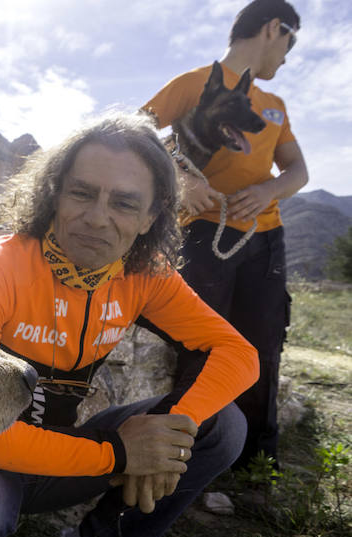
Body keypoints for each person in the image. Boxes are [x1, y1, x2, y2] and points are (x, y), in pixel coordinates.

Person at [0, 114, 259, 537]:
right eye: (82, 193)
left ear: (150, 217)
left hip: (63, 458)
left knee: (222, 425)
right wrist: (118, 455)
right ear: (54, 193)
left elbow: (239, 354)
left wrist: (170, 432)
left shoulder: (144, 273)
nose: (98, 218)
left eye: (124, 203)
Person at [142, 0, 308, 471]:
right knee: (203, 344)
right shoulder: (192, 84)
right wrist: (182, 177)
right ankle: (185, 460)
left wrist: (268, 190)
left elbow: (299, 171)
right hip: (201, 237)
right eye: (290, 44)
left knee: (262, 348)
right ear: (274, 28)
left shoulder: (274, 106)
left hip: (264, 240)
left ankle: (256, 465)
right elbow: (133, 133)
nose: (288, 57)